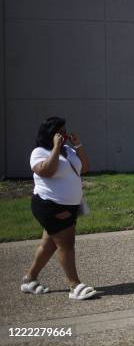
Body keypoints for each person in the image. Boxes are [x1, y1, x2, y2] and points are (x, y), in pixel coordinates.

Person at [22, 116, 97, 300]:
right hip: (50, 205)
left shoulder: (68, 150)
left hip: (69, 205)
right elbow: (46, 171)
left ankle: (29, 280)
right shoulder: (39, 152)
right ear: (51, 134)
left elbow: (85, 168)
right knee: (66, 243)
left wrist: (78, 146)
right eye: (60, 132)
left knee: (48, 245)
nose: (64, 134)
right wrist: (55, 148)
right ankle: (74, 285)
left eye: (64, 131)